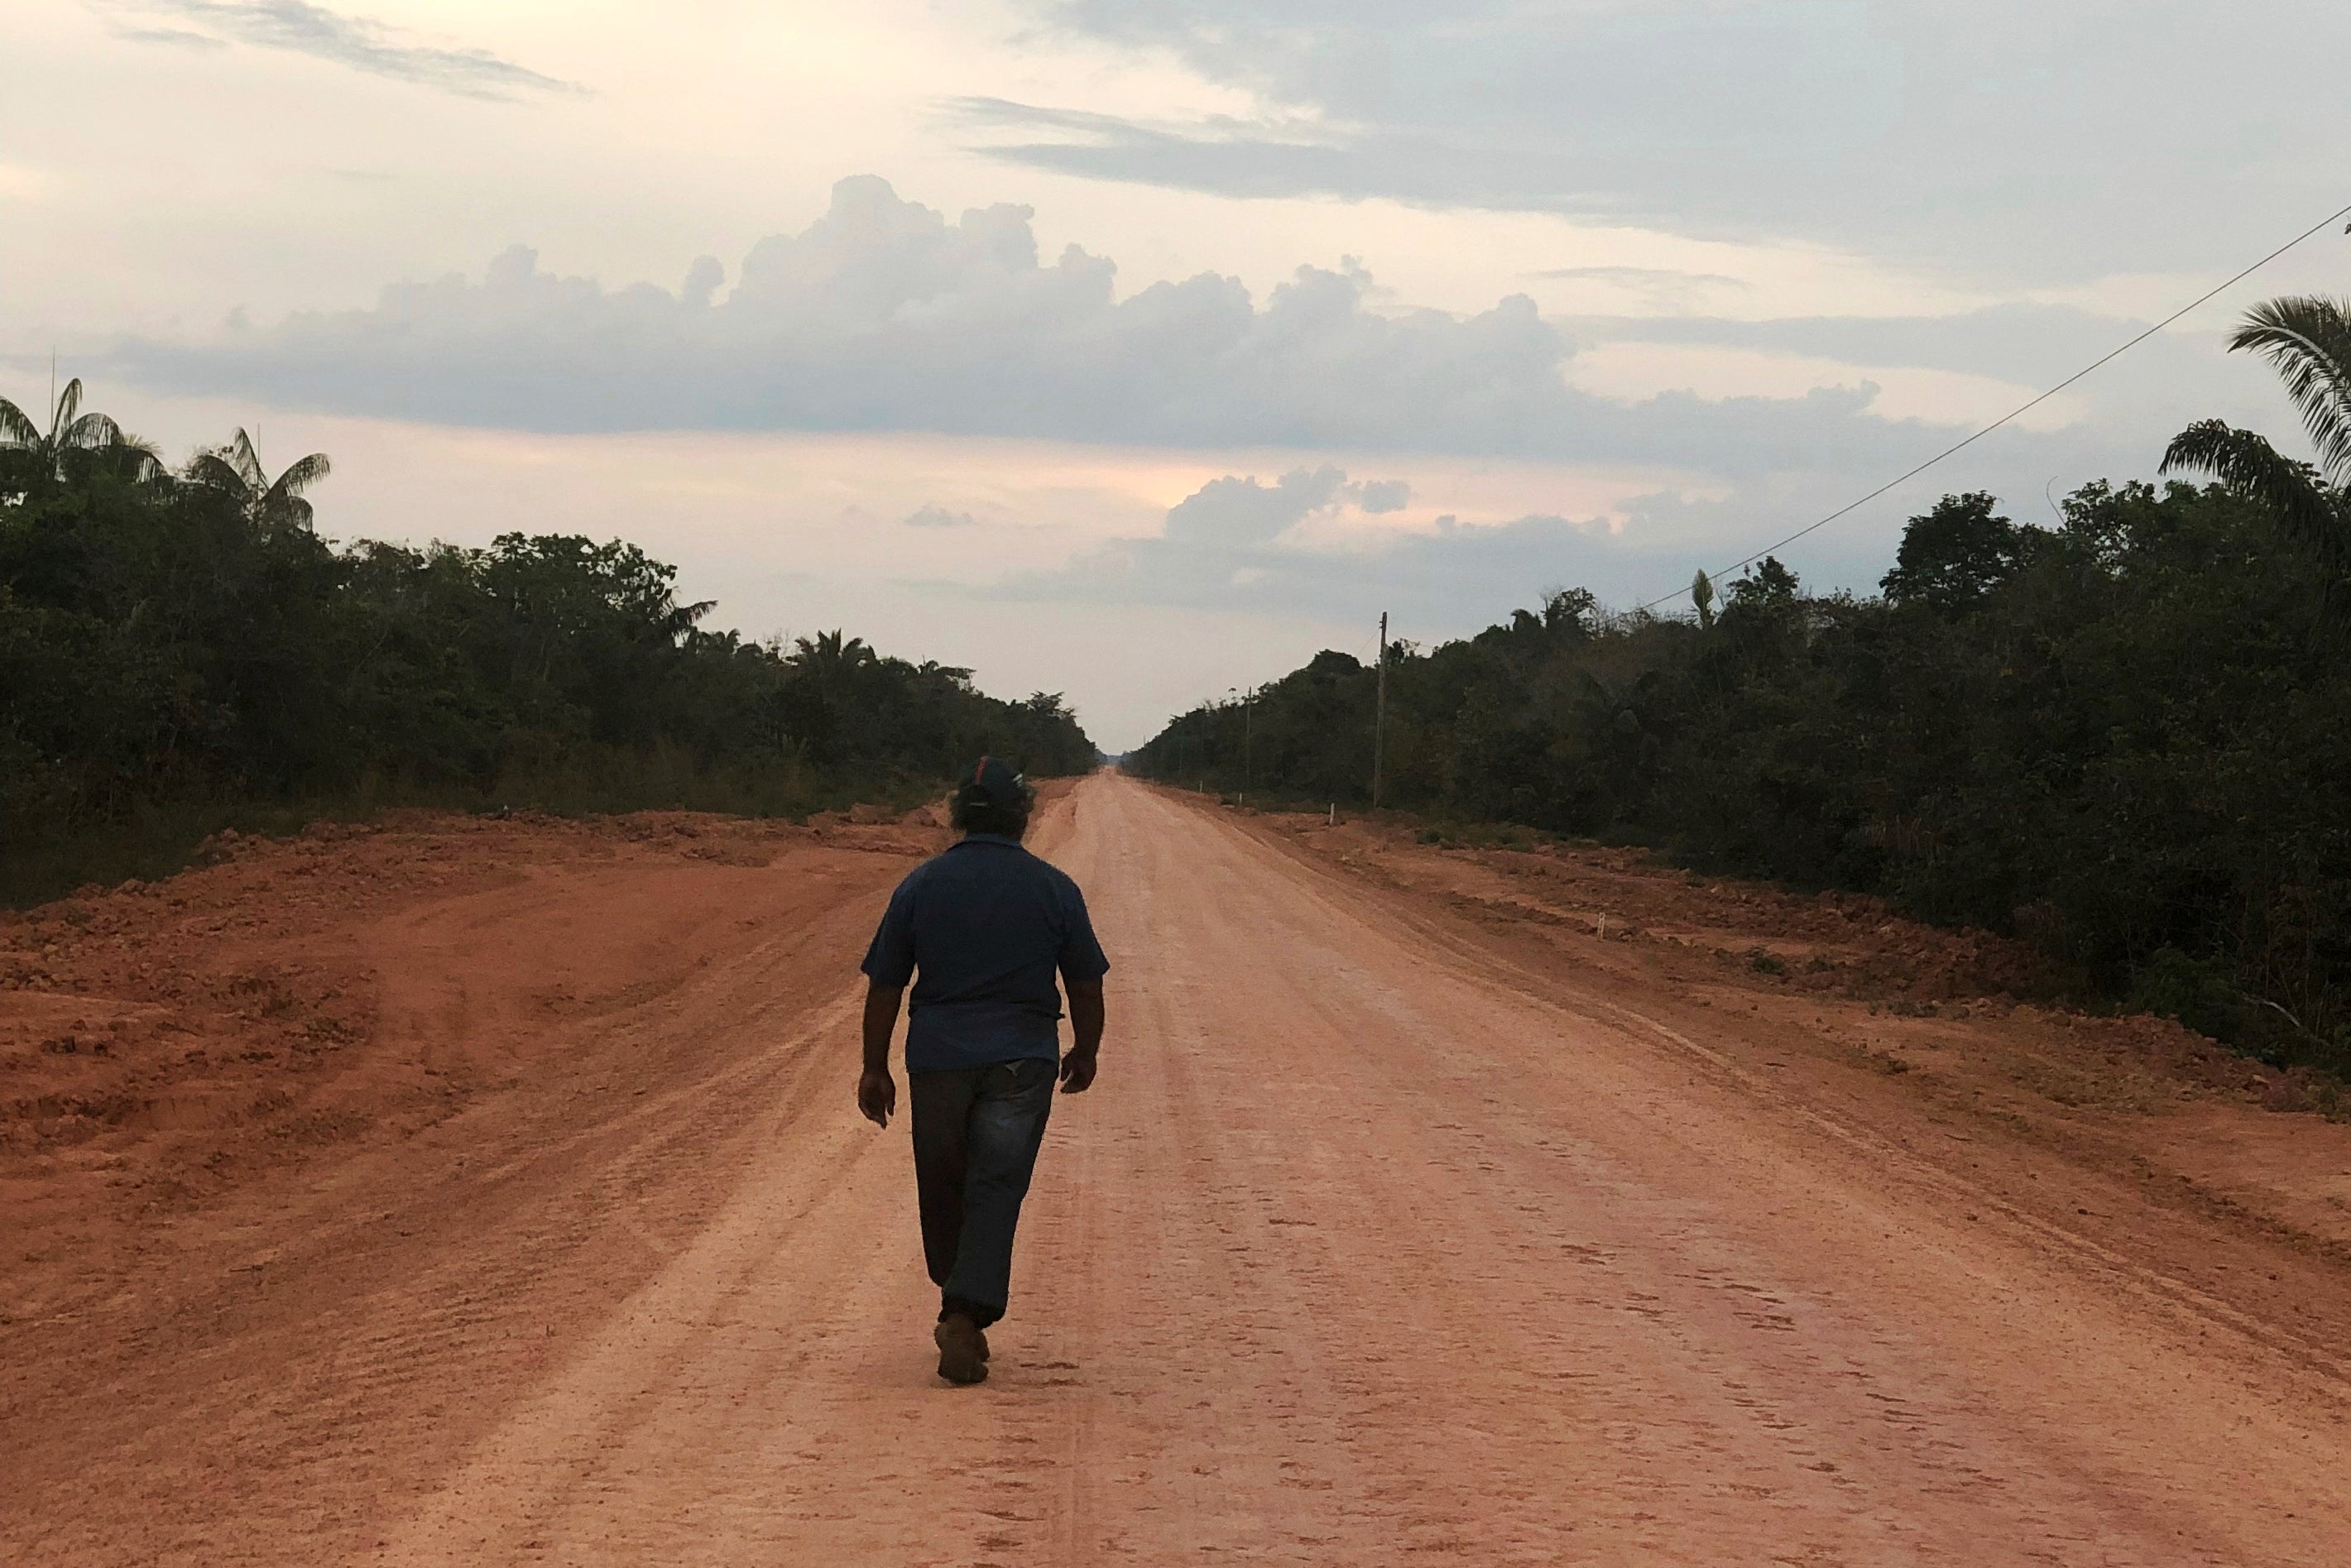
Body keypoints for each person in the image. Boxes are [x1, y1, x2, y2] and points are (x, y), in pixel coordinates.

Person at [856, 757, 1109, 1386]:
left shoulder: (921, 884)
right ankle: (964, 1310)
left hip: (938, 1056)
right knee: (997, 1183)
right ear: (1021, 816)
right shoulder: (1053, 888)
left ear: (960, 815)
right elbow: (1084, 980)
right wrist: (1085, 1048)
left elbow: (887, 983)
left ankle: (958, 1299)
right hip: (1022, 1059)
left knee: (943, 1180)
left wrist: (873, 1066)